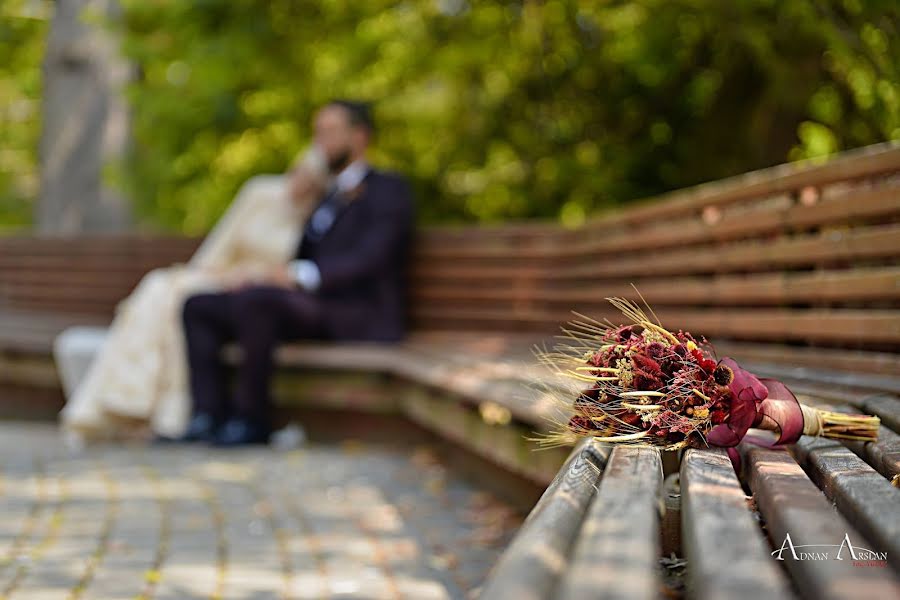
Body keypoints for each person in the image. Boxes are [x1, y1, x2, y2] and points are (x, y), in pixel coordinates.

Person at [55, 148, 329, 446]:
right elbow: (224, 239)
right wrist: (212, 274)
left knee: (185, 301)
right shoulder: (261, 192)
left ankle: (168, 412)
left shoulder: (313, 218)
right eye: (300, 172)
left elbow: (291, 272)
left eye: (311, 179)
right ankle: (144, 403)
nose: (302, 182)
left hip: (255, 291)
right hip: (220, 276)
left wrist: (254, 276)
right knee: (164, 290)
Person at [180, 100, 415, 446]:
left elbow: (373, 258)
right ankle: (207, 416)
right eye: (318, 132)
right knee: (199, 305)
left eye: (331, 132)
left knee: (258, 302)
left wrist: (300, 275)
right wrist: (260, 273)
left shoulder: (388, 189)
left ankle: (251, 419)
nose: (321, 141)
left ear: (359, 136)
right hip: (307, 306)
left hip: (356, 311)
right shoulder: (322, 196)